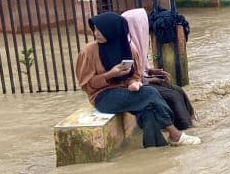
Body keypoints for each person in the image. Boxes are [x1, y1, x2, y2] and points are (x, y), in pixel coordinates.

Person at [75, 11, 199, 148]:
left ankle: (155, 150)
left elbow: (135, 75)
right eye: (95, 30)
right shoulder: (88, 52)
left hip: (125, 92)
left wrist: (133, 83)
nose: (96, 33)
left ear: (112, 31)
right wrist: (110, 74)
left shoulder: (129, 49)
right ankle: (175, 135)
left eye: (100, 30)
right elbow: (86, 85)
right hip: (102, 97)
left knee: (149, 110)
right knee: (150, 93)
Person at [122, 7, 196, 130]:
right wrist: (150, 80)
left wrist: (151, 71)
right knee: (173, 96)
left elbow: (139, 68)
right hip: (133, 87)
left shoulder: (136, 43)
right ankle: (185, 128)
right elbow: (126, 78)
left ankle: (192, 121)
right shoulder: (127, 48)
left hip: (141, 81)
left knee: (178, 90)